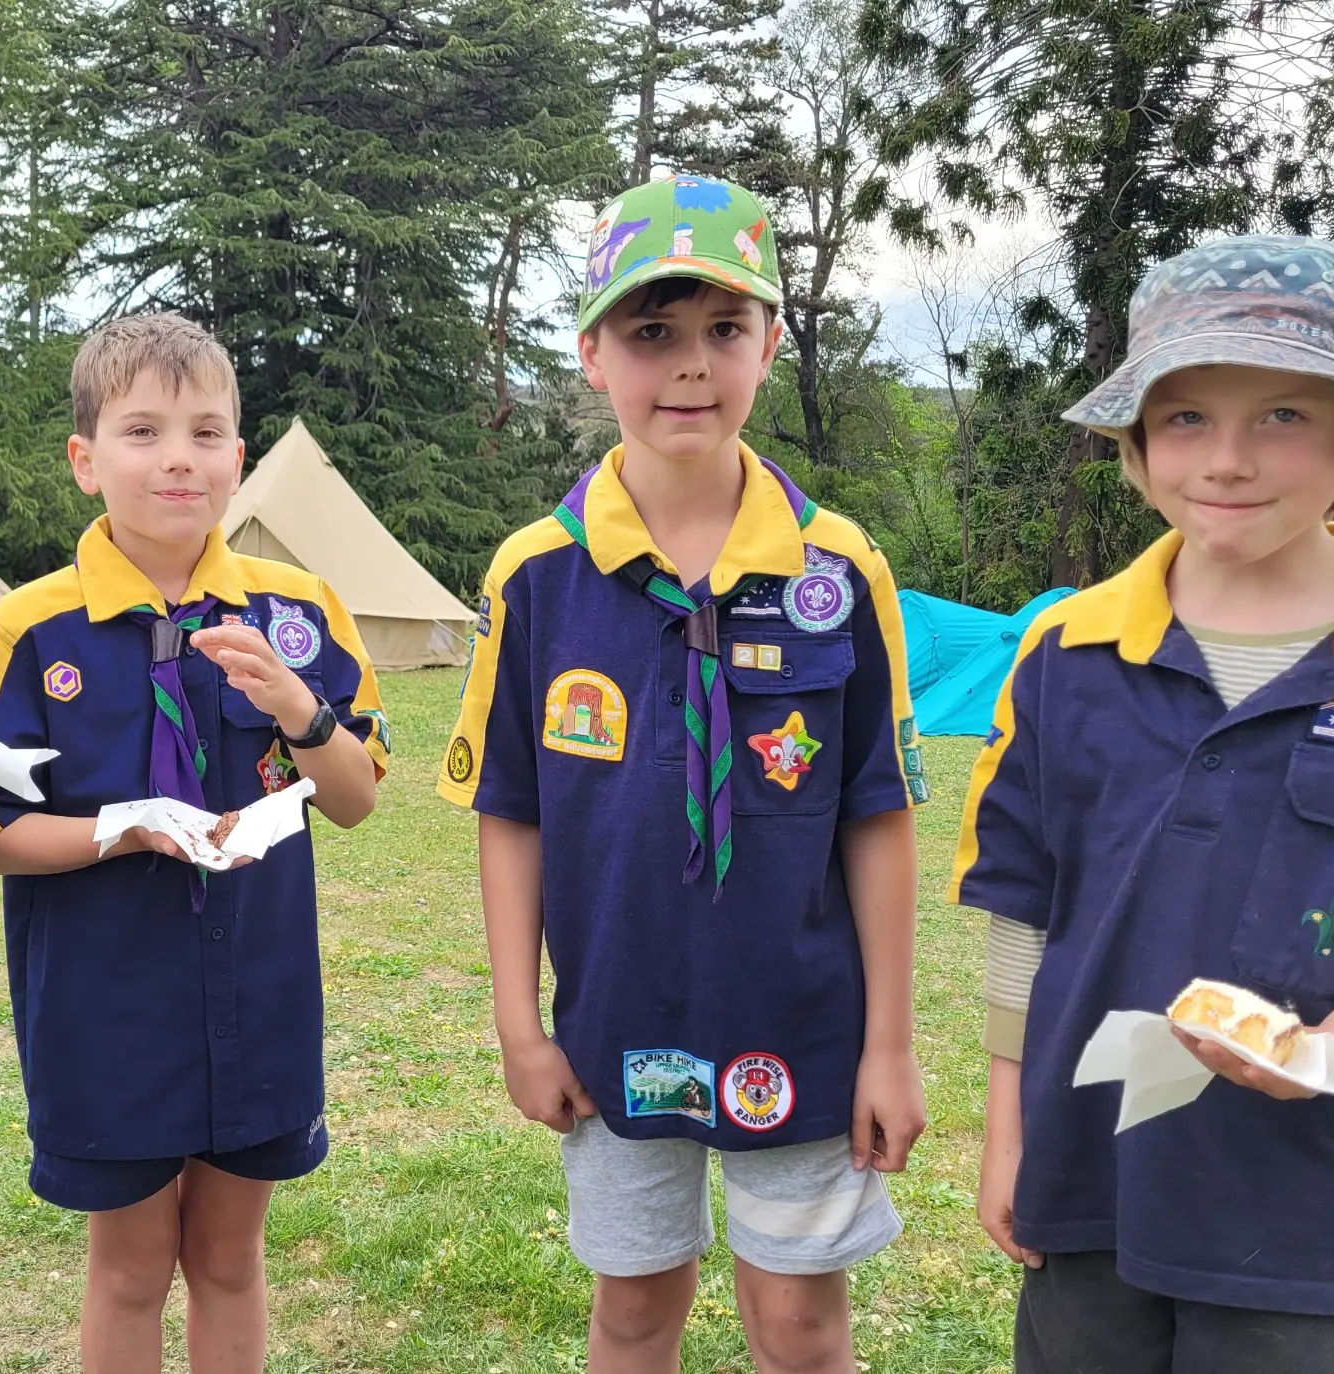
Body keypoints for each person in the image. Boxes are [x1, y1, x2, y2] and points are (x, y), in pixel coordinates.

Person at [954, 235, 1334, 1374]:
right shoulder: (1063, 655)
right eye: (1185, 419)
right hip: (1089, 1180)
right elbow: (1024, 909)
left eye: (1283, 416)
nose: (1226, 459)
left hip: (1310, 1213)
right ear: (1134, 439)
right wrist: (1007, 1136)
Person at [438, 173, 928, 1374]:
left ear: (769, 342)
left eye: (724, 328)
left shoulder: (839, 568)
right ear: (594, 354)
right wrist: (519, 1027)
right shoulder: (537, 576)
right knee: (634, 1313)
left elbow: (876, 814)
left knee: (802, 1325)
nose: (692, 366)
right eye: (652, 332)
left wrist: (890, 1046)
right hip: (614, 1028)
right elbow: (510, 814)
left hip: (803, 1025)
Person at [0, 310, 387, 1374]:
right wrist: (125, 830)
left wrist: (298, 708)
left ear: (240, 453)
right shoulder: (31, 630)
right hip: (107, 1003)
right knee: (132, 1268)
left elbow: (355, 797)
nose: (177, 458)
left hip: (262, 991)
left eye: (205, 432)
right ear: (86, 461)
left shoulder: (300, 610)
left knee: (231, 1259)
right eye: (142, 432)